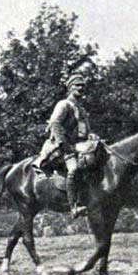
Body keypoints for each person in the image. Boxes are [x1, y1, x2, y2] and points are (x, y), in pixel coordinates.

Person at [32, 74, 98, 218]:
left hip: (79, 145)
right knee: (73, 168)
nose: (81, 88)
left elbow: (85, 129)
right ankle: (74, 206)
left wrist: (91, 135)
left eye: (83, 86)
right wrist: (64, 144)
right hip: (62, 145)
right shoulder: (64, 104)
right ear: (70, 88)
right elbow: (55, 124)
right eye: (77, 85)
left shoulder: (81, 109)